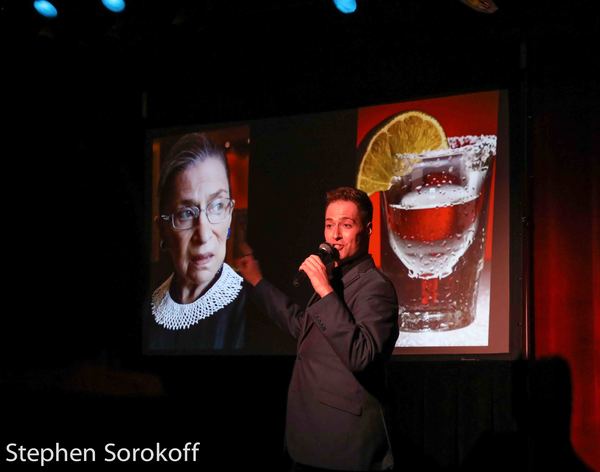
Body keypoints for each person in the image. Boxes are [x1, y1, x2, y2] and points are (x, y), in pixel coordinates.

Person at [237, 187, 399, 471]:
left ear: (368, 229)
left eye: (346, 225)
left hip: (342, 447)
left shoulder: (376, 287)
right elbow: (303, 327)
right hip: (309, 440)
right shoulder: (336, 280)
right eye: (329, 225)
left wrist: (324, 289)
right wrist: (257, 282)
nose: (335, 235)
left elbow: (362, 355)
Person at [147, 132, 246, 352]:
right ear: (162, 230)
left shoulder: (251, 306)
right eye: (185, 213)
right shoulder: (148, 309)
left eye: (217, 206)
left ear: (230, 212)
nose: (203, 235)